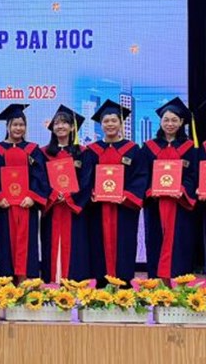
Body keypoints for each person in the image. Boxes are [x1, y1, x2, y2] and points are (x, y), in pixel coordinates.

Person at [85, 99, 147, 285]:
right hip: (98, 208)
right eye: (106, 121)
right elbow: (85, 178)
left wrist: (127, 195)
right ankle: (101, 283)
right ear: (101, 124)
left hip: (124, 208)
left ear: (121, 123)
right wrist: (91, 192)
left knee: (125, 242)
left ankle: (124, 283)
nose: (110, 124)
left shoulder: (133, 150)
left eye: (114, 120)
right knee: (98, 243)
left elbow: (140, 176)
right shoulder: (92, 151)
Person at [0, 103, 49, 281]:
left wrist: (32, 196)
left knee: (27, 244)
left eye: (22, 125)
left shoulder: (33, 150)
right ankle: (6, 284)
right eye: (15, 124)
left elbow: (40, 176)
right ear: (7, 126)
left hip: (26, 206)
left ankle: (24, 284)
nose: (18, 128)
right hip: (4, 207)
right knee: (4, 243)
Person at [141, 97, 198, 283]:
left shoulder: (190, 148)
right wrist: (150, 190)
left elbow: (194, 175)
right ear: (160, 122)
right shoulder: (149, 147)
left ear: (181, 122)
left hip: (180, 205)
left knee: (181, 242)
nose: (170, 124)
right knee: (155, 240)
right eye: (166, 120)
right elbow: (143, 173)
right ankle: (156, 285)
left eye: (174, 120)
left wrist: (183, 189)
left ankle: (180, 285)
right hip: (155, 204)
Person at [41, 105, 92, 283]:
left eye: (64, 123)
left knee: (76, 246)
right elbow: (40, 178)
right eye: (56, 123)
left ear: (72, 127)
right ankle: (52, 281)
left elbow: (87, 180)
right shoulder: (44, 153)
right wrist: (54, 194)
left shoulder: (83, 153)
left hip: (73, 210)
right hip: (53, 208)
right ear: (52, 127)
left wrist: (70, 197)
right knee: (50, 243)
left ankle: (73, 282)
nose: (60, 126)